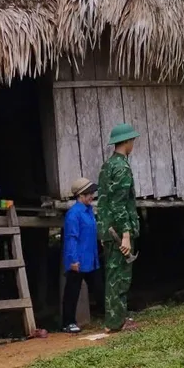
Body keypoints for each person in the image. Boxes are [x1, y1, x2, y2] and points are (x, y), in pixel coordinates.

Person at [97, 123, 140, 333]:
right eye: (132, 141)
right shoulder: (122, 167)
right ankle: (116, 323)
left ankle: (117, 319)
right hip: (117, 231)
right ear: (127, 142)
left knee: (113, 274)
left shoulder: (107, 165)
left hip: (107, 228)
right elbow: (119, 203)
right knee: (119, 277)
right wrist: (126, 234)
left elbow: (106, 201)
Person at [61, 177, 99, 333]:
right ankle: (67, 322)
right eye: (88, 193)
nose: (92, 196)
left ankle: (111, 315)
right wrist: (73, 260)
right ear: (80, 196)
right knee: (72, 292)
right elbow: (71, 238)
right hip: (77, 260)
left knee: (99, 287)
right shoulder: (73, 214)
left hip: (90, 258)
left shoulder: (89, 211)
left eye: (92, 193)